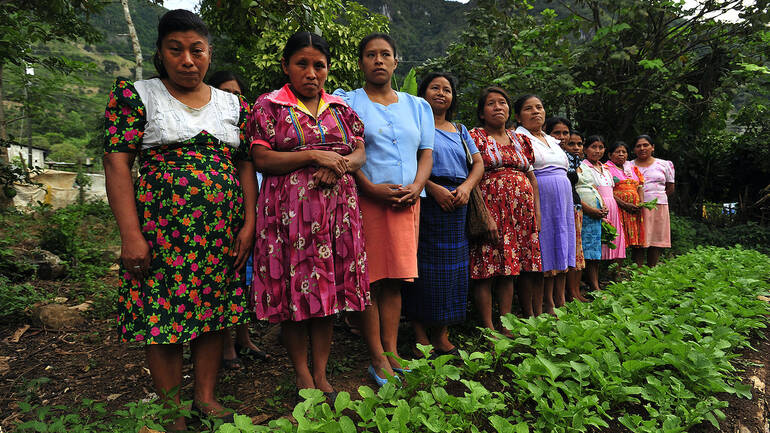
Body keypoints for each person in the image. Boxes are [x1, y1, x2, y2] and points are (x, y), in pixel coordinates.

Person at [102, 10, 256, 429]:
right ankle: (172, 412)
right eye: (176, 50)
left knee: (213, 313)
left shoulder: (234, 105)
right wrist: (131, 235)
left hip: (220, 233)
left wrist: (249, 224)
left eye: (196, 50)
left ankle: (205, 398)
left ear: (209, 54)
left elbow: (245, 167)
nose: (187, 60)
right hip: (160, 233)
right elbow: (117, 164)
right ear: (160, 53)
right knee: (161, 319)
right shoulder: (137, 97)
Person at [247, 32, 369, 400]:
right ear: (286, 66)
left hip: (336, 216)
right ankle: (302, 372)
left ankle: (321, 371)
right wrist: (315, 156)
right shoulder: (269, 106)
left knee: (326, 294)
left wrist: (341, 165)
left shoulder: (341, 109)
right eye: (302, 63)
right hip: (288, 218)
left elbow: (360, 151)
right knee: (293, 292)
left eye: (319, 65)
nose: (312, 72)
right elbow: (262, 158)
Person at [334, 33, 434, 385]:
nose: (378, 60)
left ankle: (392, 353)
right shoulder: (347, 103)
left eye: (385, 55)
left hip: (407, 203)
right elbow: (345, 151)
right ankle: (376, 358)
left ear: (395, 62)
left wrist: (418, 186)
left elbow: (426, 152)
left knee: (395, 281)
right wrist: (371, 188)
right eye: (370, 55)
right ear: (361, 62)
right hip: (366, 202)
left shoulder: (417, 106)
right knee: (370, 281)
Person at [403, 73, 483, 356]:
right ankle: (421, 332)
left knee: (453, 270)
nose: (441, 93)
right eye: (434, 88)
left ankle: (443, 332)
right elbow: (407, 161)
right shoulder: (413, 126)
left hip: (458, 205)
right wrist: (432, 187)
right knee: (423, 268)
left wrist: (466, 188)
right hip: (426, 200)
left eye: (447, 89)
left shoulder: (460, 130)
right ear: (422, 94)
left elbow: (478, 164)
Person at [208, 70, 270, 370]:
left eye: (237, 94)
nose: (232, 99)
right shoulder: (213, 135)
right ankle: (226, 345)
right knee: (226, 279)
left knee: (246, 281)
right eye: (225, 92)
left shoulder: (249, 130)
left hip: (248, 216)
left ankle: (244, 338)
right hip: (219, 219)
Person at [469, 87, 542, 320]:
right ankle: (488, 326)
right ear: (482, 113)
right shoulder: (474, 137)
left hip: (521, 213)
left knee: (510, 268)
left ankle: (506, 322)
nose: (498, 107)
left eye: (502, 102)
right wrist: (484, 216)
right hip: (491, 210)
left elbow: (531, 177)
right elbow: (470, 176)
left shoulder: (520, 139)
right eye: (491, 103)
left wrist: (537, 214)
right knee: (486, 268)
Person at [514, 96, 575, 314]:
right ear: (518, 116)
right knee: (544, 247)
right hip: (542, 198)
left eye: (539, 107)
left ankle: (558, 299)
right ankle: (544, 303)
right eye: (528, 109)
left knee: (560, 243)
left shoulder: (553, 140)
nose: (535, 112)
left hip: (563, 200)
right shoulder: (519, 138)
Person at [546, 117, 588, 303]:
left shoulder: (573, 158)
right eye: (557, 133)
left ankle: (568, 295)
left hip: (573, 207)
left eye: (565, 133)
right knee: (554, 251)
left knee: (572, 252)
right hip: (554, 208)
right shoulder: (546, 153)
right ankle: (553, 299)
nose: (562, 137)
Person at [630, 135, 675, 267]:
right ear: (634, 149)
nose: (642, 148)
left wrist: (655, 198)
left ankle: (651, 270)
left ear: (653, 147)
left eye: (645, 145)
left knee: (655, 240)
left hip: (658, 206)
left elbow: (670, 187)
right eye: (638, 146)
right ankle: (637, 272)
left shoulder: (665, 164)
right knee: (638, 240)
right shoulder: (628, 166)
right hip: (636, 208)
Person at [606, 141, 646, 267]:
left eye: (624, 152)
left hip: (635, 211)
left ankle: (638, 272)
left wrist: (641, 203)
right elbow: (606, 191)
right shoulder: (606, 169)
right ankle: (616, 273)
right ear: (610, 155)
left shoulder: (633, 169)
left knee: (638, 241)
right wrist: (624, 204)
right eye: (618, 152)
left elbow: (640, 187)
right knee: (619, 241)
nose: (621, 154)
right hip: (619, 210)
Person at [563, 131, 588, 302]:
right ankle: (570, 293)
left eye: (579, 144)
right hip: (566, 206)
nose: (576, 147)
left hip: (576, 205)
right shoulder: (562, 158)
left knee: (578, 251)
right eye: (572, 144)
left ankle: (576, 291)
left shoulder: (577, 161)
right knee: (570, 251)